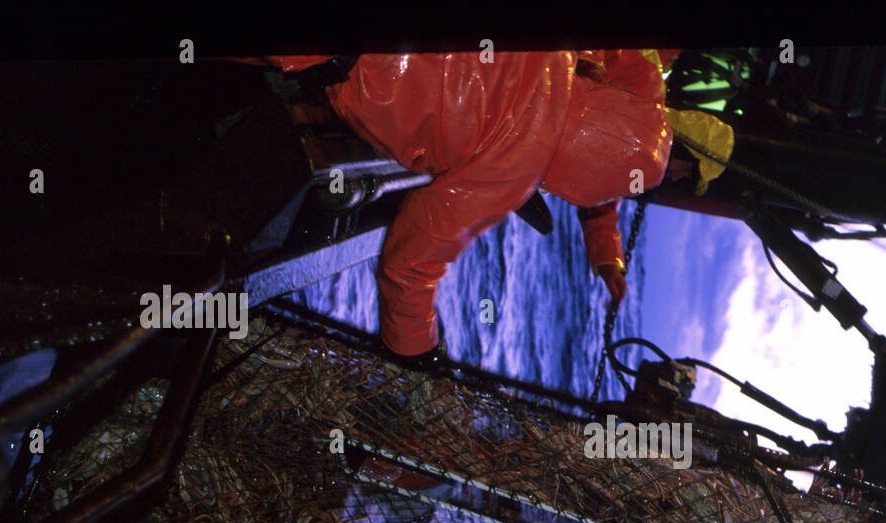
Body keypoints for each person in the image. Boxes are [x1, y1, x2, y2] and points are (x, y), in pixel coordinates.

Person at [251, 50, 678, 359]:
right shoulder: (509, 174)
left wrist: (608, 256)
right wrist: (418, 351)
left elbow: (631, 63)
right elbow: (408, 268)